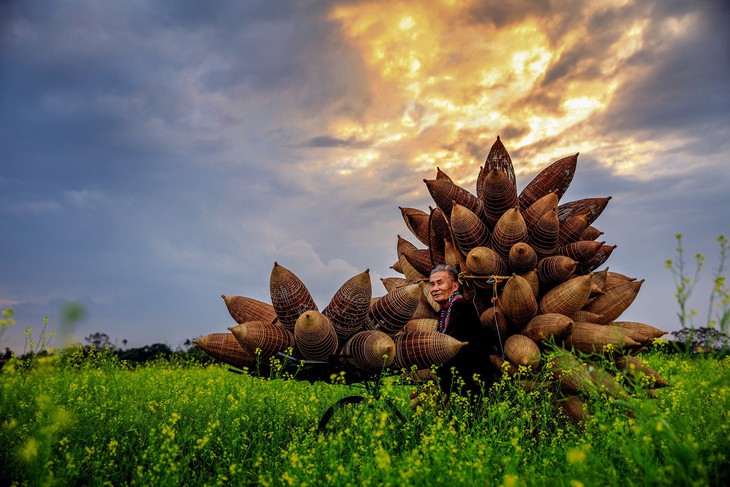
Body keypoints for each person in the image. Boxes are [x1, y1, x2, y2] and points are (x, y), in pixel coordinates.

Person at [429, 264, 495, 401]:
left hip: (471, 382)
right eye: (432, 284)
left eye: (440, 283)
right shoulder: (446, 310)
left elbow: (449, 343)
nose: (435, 289)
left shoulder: (461, 306)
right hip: (460, 382)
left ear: (454, 286)